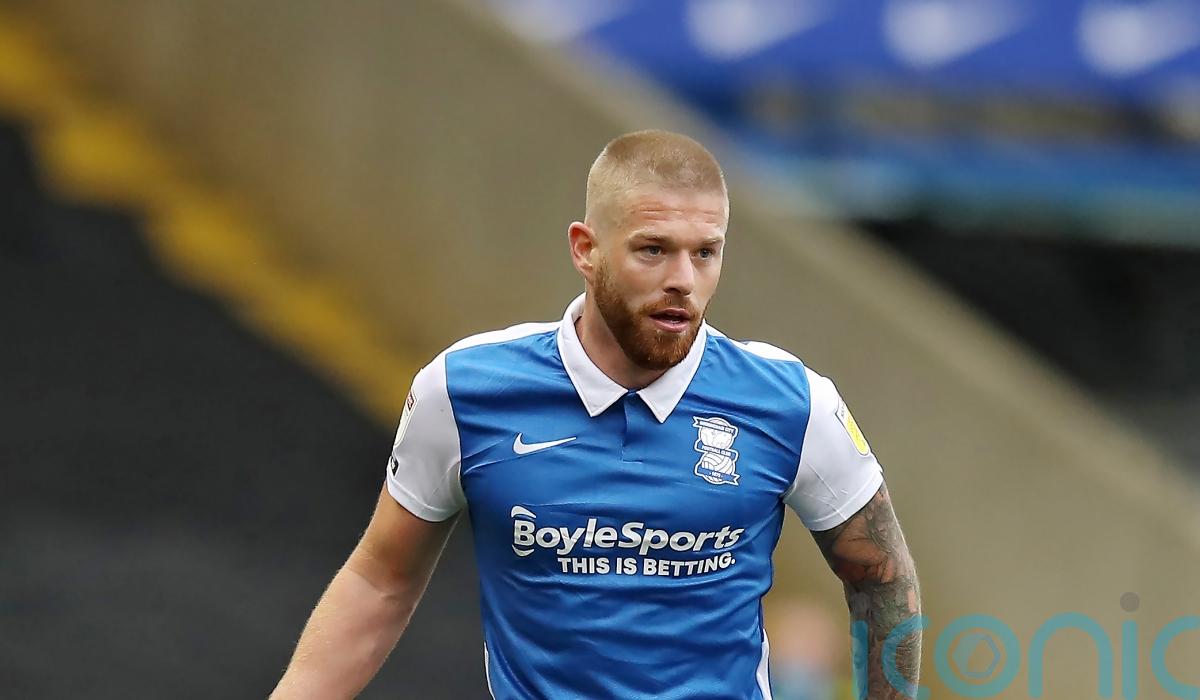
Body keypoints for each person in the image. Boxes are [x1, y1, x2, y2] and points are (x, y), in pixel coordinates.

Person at [270, 130, 921, 699]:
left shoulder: (793, 402)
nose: (683, 279)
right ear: (586, 249)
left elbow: (884, 581)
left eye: (705, 252)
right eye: (653, 249)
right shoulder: (464, 390)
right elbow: (381, 581)